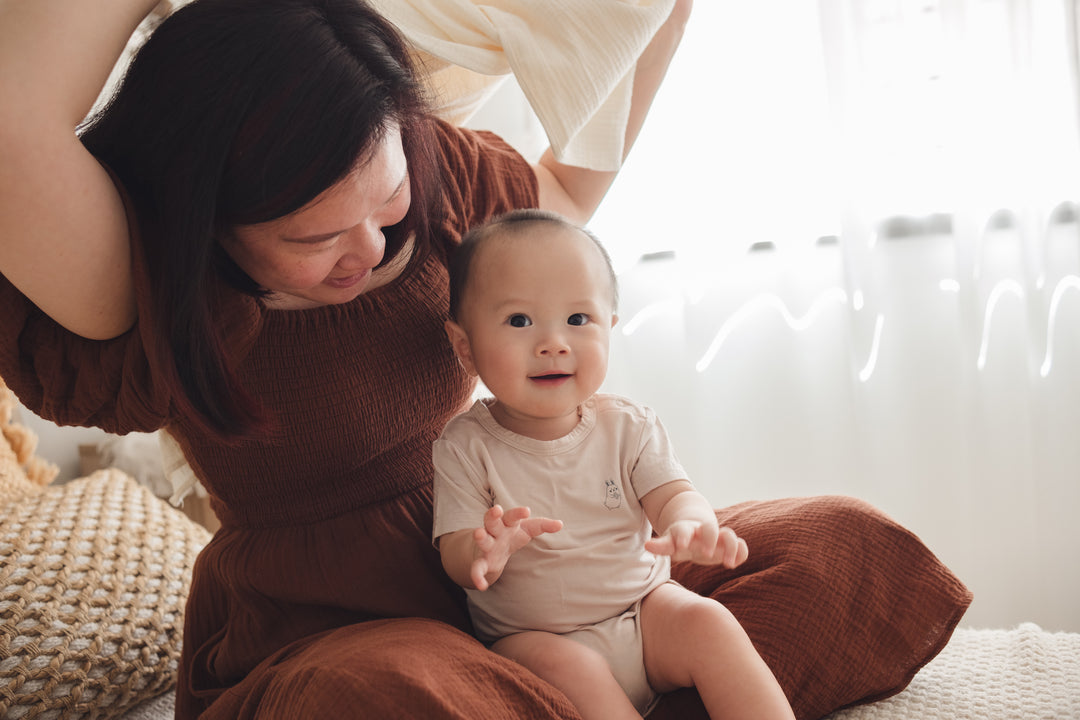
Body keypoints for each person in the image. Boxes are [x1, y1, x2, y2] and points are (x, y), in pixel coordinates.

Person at [0, 0, 972, 717]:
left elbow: (558, 192)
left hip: (536, 581)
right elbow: (10, 125)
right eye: (317, 239)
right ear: (213, 218)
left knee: (840, 543)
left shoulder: (437, 171)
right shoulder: (147, 275)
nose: (372, 252)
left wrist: (663, 20)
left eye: (385, 213)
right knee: (386, 695)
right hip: (335, 622)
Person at [434, 209, 797, 719]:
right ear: (464, 348)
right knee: (567, 668)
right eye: (520, 321)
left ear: (609, 327)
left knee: (708, 622)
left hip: (644, 613)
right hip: (535, 639)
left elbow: (674, 495)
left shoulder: (627, 426)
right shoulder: (466, 444)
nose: (553, 343)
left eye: (578, 320)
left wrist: (691, 525)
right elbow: (453, 548)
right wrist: (481, 551)